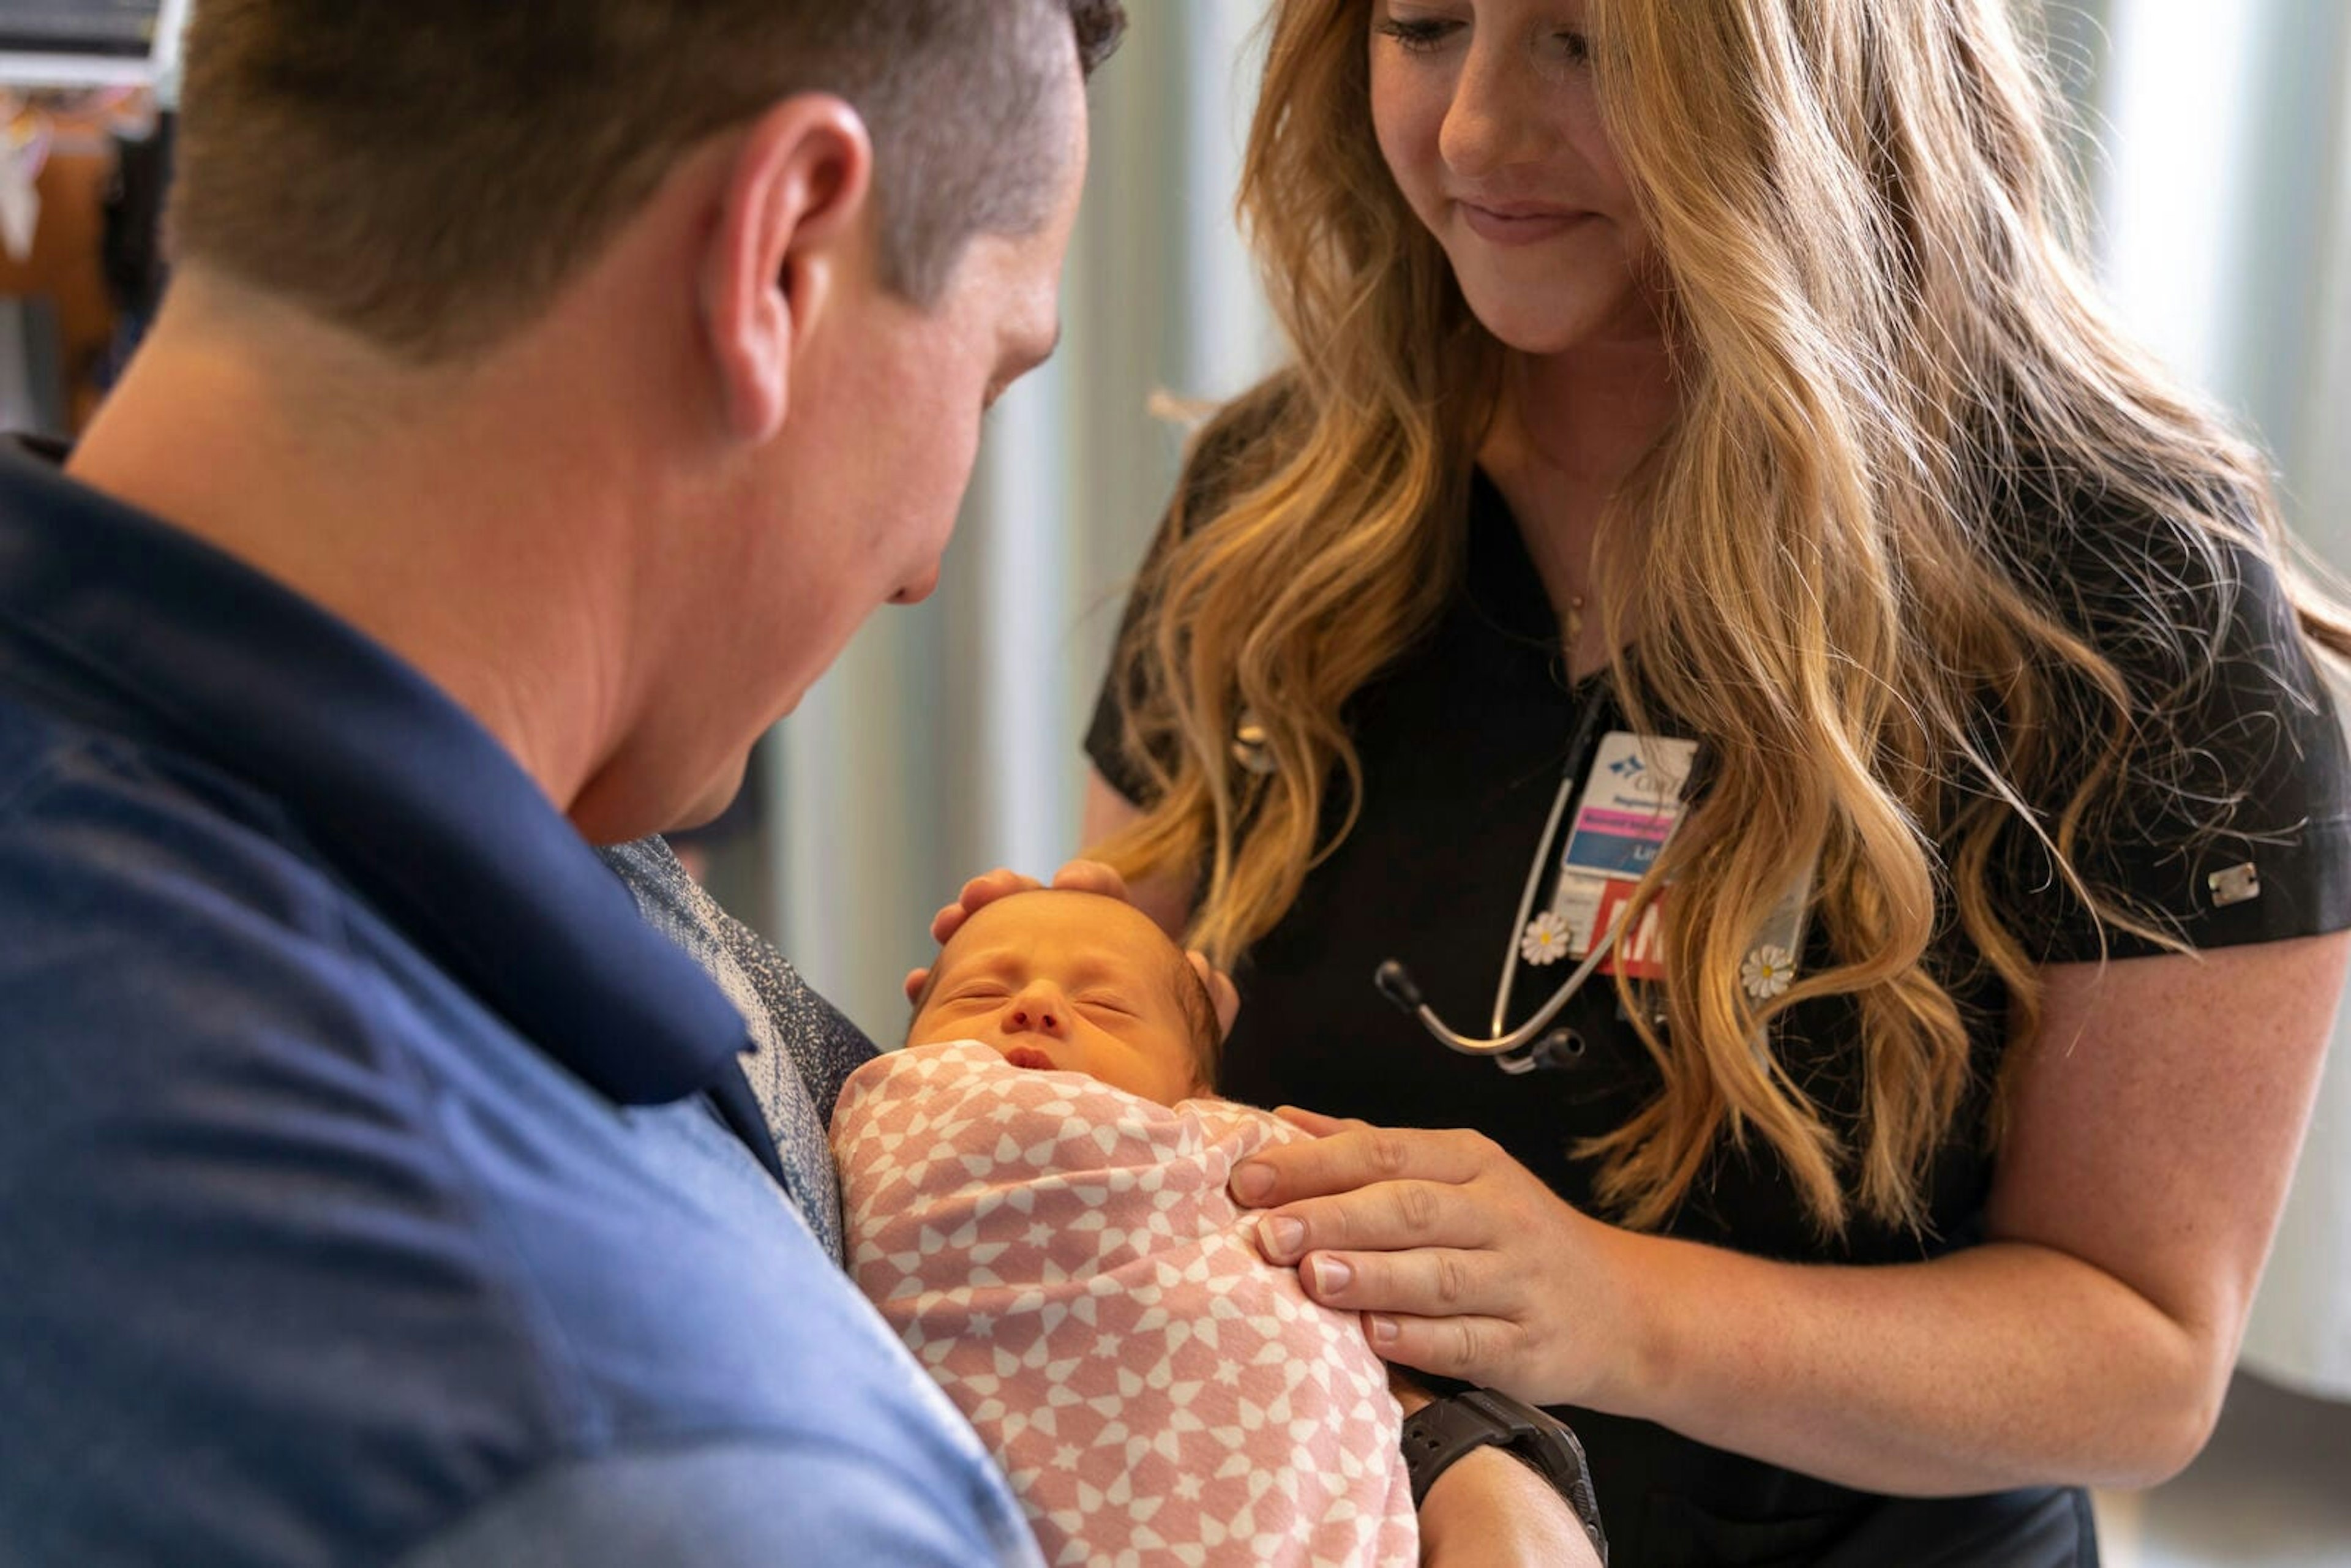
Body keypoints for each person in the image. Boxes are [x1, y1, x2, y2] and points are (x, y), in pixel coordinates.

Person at [1054, 0, 2351, 1562]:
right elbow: (1104, 1080)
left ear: (1812, 72)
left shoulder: (2124, 596)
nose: (1471, 131)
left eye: (1587, 45)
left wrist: (1614, 1313)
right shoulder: (1276, 516)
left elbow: (2137, 1357)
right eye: (1423, 24)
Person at [0, 2, 1119, 1562]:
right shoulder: (686, 1470)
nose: (928, 564)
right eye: (985, 376)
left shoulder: (575, 856)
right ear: (778, 258)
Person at [836, 888, 1426, 1564]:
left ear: (1199, 1088)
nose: (1036, 1005)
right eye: (978, 995)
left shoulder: (1241, 1151)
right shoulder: (899, 1108)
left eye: (1107, 1006)